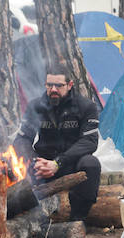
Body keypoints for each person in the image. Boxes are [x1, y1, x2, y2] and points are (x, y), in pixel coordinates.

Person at [12, 64, 101, 221]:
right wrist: (34, 161)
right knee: (10, 162)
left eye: (59, 86)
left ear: (70, 85)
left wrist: (58, 163)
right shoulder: (36, 106)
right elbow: (22, 139)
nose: (53, 89)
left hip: (71, 163)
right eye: (49, 85)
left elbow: (89, 142)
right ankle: (26, 214)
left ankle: (77, 219)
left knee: (91, 163)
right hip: (42, 165)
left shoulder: (86, 106)